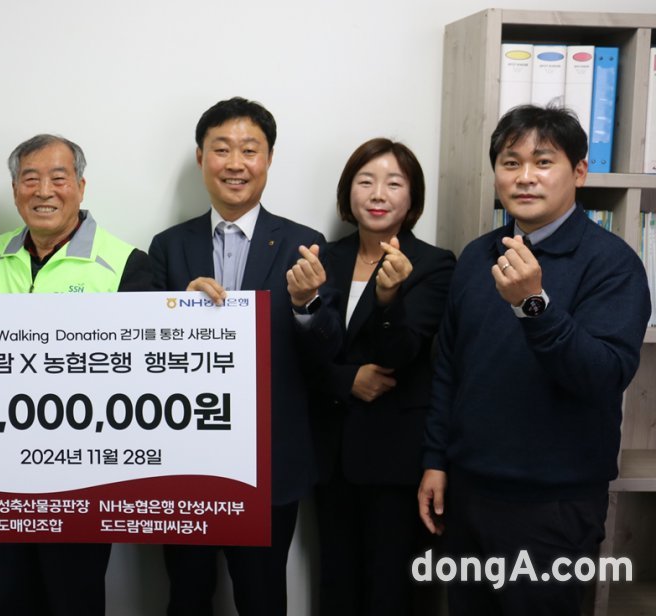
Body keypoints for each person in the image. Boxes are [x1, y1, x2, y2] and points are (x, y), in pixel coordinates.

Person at [418, 105, 651, 615]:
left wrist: (533, 304)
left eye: (543, 162)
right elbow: (449, 367)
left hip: (554, 505)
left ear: (579, 172)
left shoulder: (613, 264)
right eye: (511, 162)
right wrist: (436, 460)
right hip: (470, 490)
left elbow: (604, 375)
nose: (525, 177)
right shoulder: (477, 256)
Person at [0, 133, 153, 616]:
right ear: (14, 190)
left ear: (81, 187)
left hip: (85, 472)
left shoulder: (127, 263)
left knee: (74, 596)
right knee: (14, 593)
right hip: (5, 465)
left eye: (58, 178)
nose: (44, 191)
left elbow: (143, 371)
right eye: (30, 179)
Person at [148, 96, 323, 616]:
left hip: (271, 460)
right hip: (185, 463)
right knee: (186, 595)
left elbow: (324, 352)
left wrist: (307, 305)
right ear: (200, 157)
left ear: (269, 158)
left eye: (250, 150)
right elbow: (144, 349)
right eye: (221, 149)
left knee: (263, 597)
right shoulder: (168, 246)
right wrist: (177, 310)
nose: (235, 163)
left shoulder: (304, 244)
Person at [287, 138, 454, 615]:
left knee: (390, 591)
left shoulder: (434, 264)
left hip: (395, 457)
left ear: (412, 198)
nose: (378, 193)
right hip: (331, 455)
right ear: (349, 193)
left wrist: (388, 300)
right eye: (366, 181)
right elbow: (304, 354)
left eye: (394, 183)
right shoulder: (324, 258)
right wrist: (344, 376)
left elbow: (402, 352)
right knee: (336, 586)